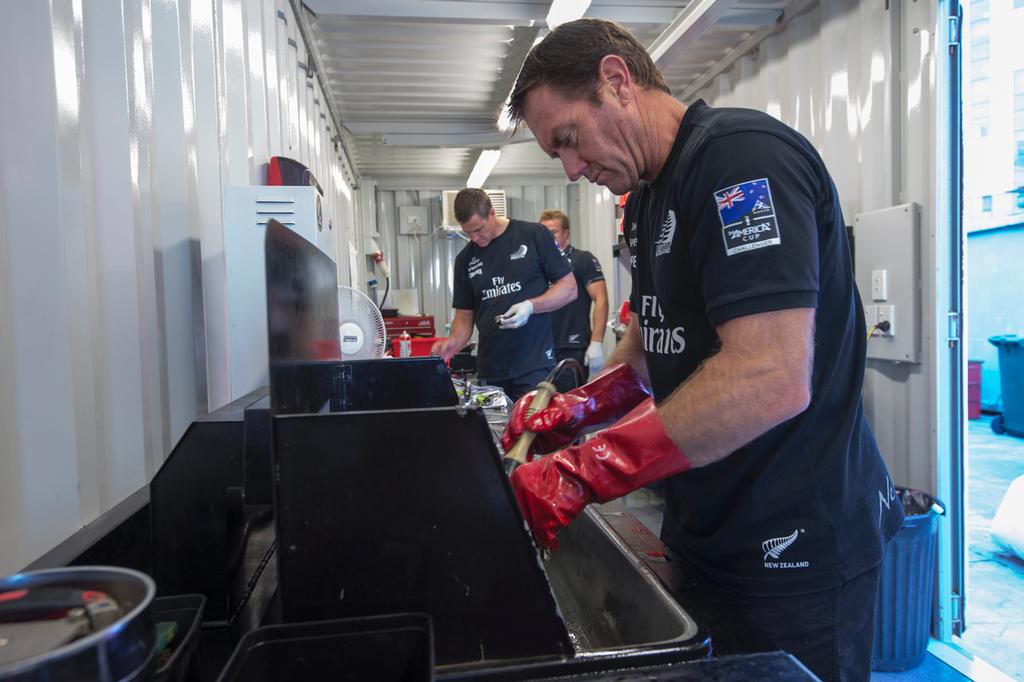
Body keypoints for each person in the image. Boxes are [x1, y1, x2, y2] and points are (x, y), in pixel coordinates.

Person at [499, 18, 903, 682]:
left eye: (569, 140)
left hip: (791, 542)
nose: (572, 168)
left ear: (616, 81)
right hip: (706, 527)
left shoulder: (741, 163)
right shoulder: (652, 196)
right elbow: (653, 334)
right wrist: (579, 408)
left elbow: (770, 375)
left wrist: (587, 469)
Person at [431, 188, 577, 402]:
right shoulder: (465, 260)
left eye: (478, 229)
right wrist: (452, 343)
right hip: (491, 370)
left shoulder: (534, 235)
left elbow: (569, 288)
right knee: (495, 433)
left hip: (533, 364)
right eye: (467, 232)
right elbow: (464, 316)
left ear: (491, 213)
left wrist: (530, 306)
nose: (474, 238)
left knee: (530, 433)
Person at [539, 209, 609, 392]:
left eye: (553, 232)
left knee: (568, 409)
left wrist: (597, 342)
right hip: (542, 349)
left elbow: (601, 298)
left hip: (572, 348)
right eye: (544, 232)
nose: (548, 237)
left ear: (566, 233)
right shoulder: (538, 264)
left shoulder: (582, 259)